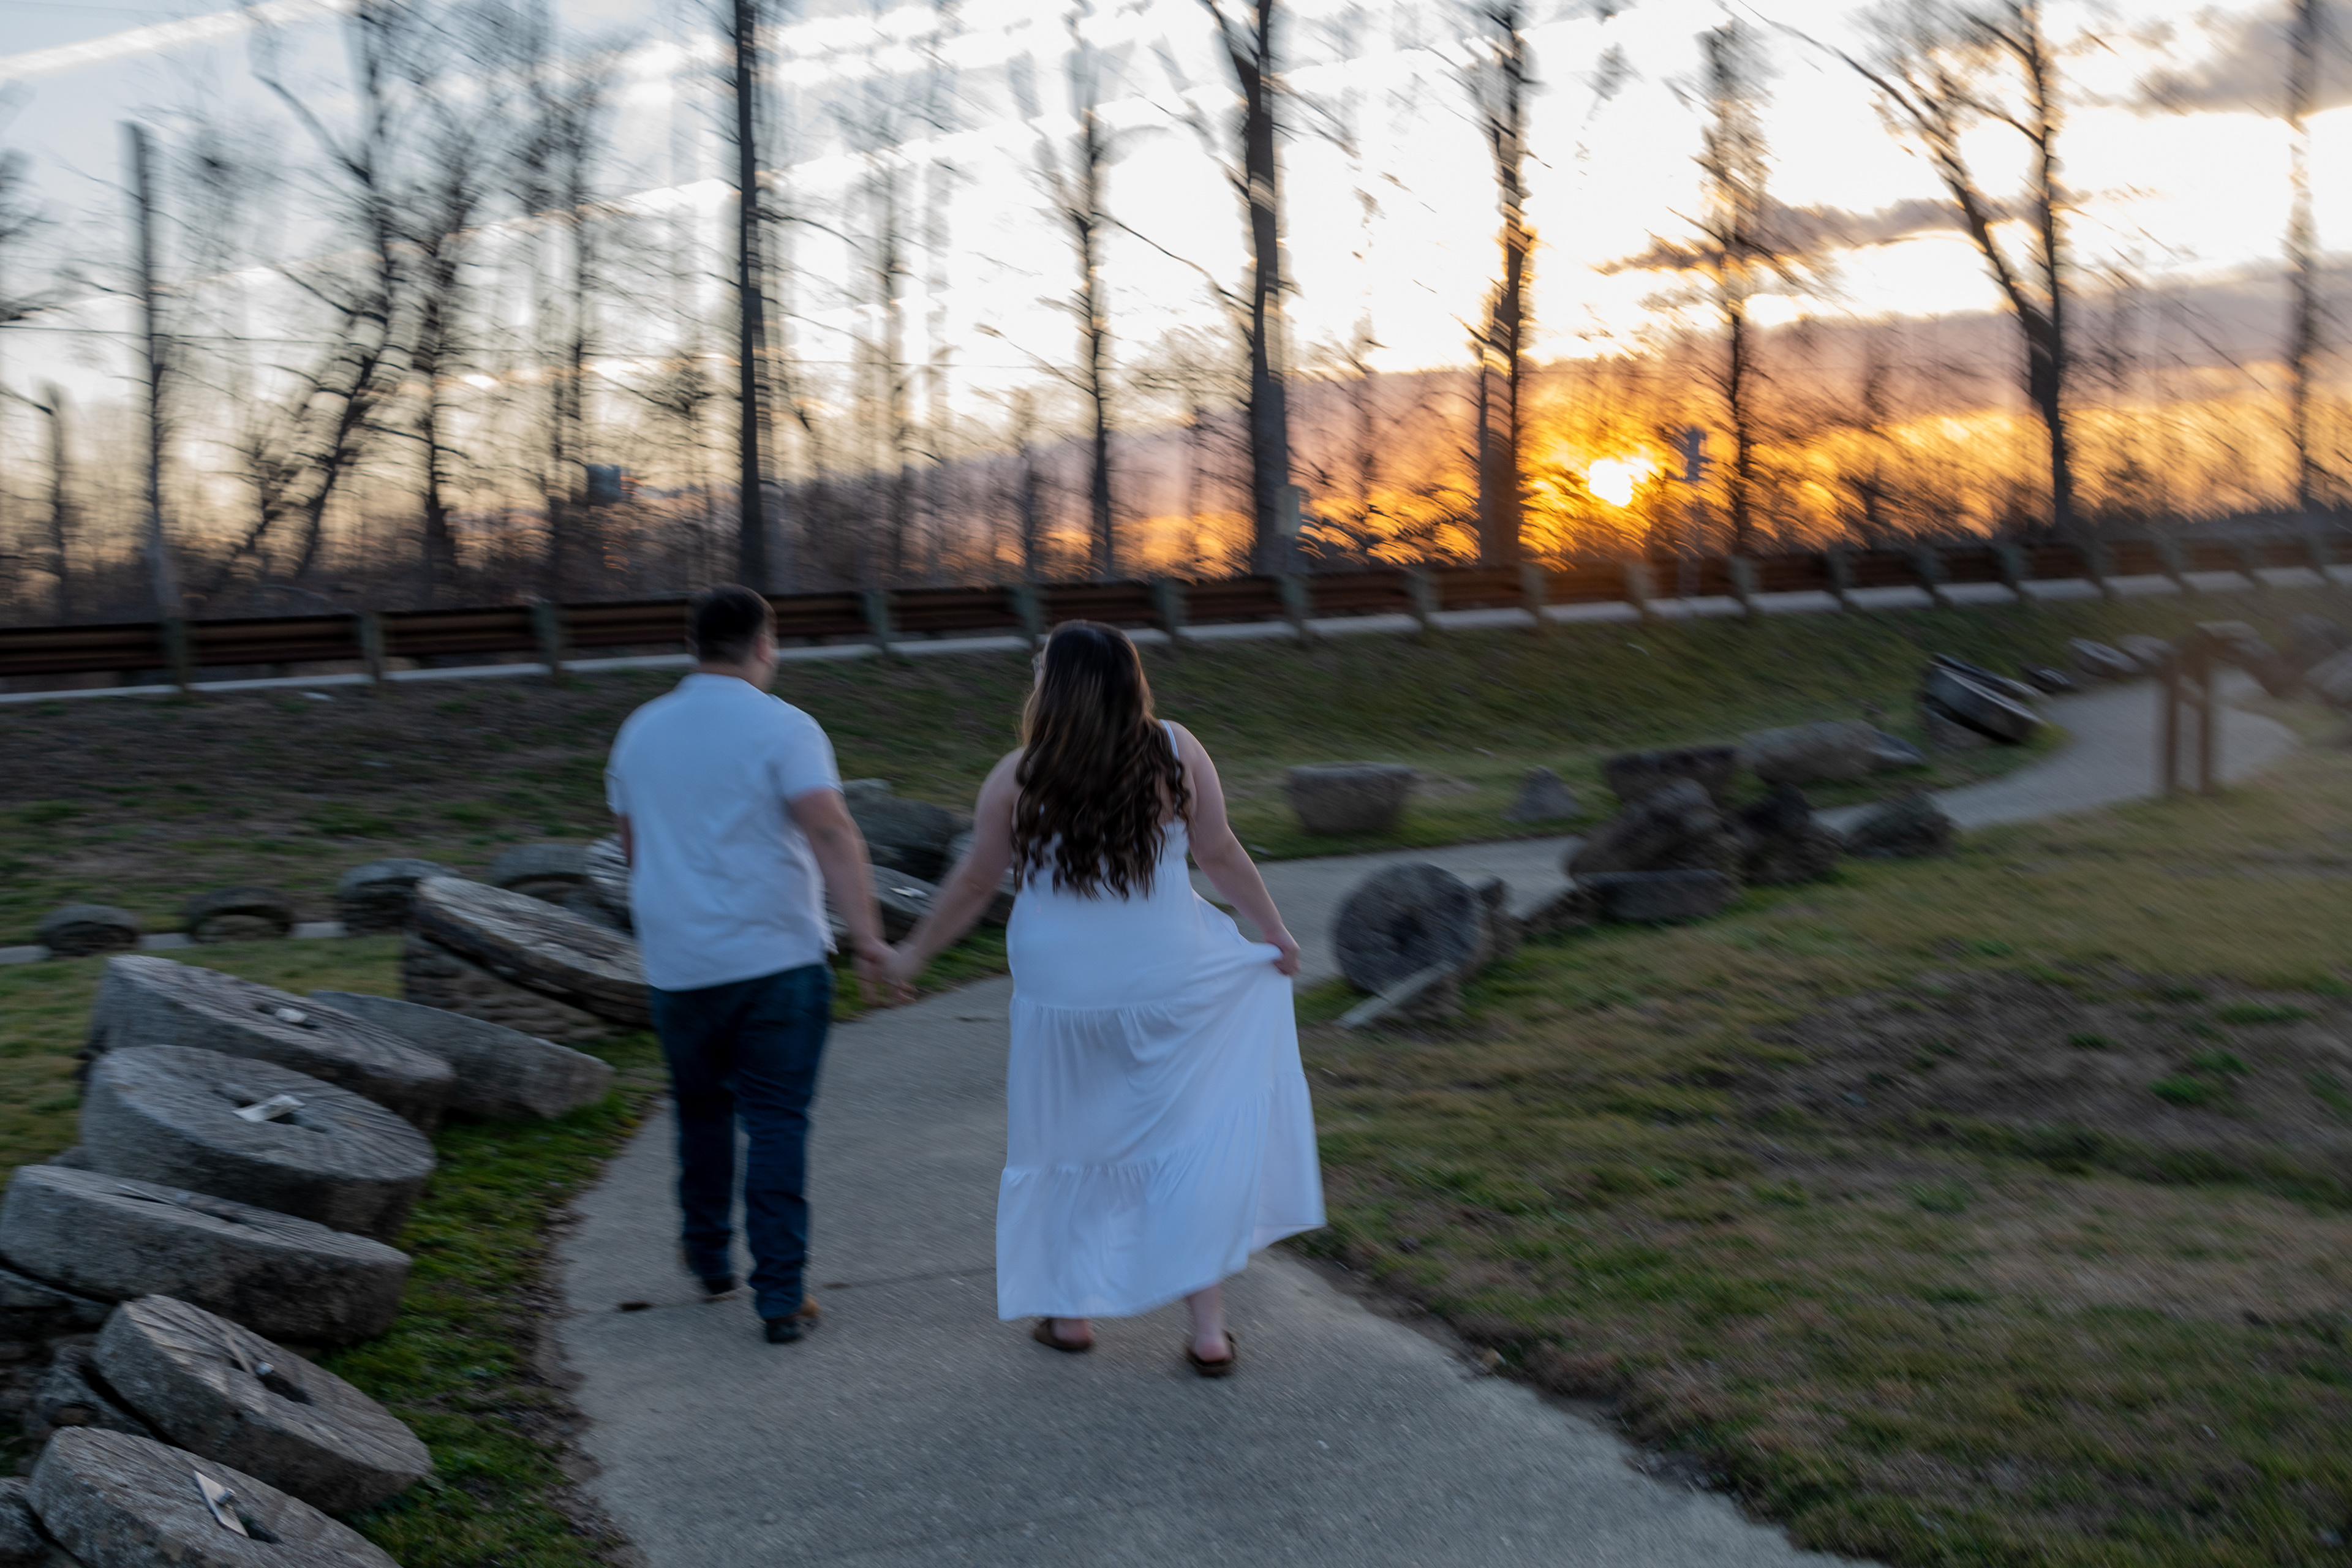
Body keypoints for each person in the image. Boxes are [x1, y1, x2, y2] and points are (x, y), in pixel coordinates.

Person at [884, 620, 1324, 1376]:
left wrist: (912, 953)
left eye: (1040, 663)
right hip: (1170, 978)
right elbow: (1218, 851)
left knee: (1066, 1139)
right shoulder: (1177, 751)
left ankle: (1070, 1315)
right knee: (1182, 1140)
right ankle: (1209, 1332)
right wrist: (1273, 930)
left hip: (1064, 990)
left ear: (1059, 685)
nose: (1032, 670)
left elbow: (976, 881)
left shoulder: (1018, 775)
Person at [605, 584, 896, 1345]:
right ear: (765, 645)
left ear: (692, 645)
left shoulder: (639, 731)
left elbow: (633, 848)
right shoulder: (785, 726)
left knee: (700, 1110)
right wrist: (867, 936)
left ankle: (709, 1258)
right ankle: (781, 1296)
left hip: (680, 964)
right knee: (776, 1122)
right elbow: (830, 830)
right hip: (777, 959)